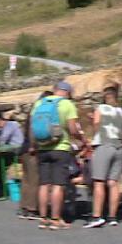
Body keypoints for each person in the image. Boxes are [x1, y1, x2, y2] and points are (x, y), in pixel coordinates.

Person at [31, 81, 88, 230]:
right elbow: (73, 129)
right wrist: (81, 140)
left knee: (44, 184)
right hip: (60, 148)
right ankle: (56, 219)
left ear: (55, 90)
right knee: (58, 185)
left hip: (43, 148)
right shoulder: (67, 105)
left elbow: (33, 128)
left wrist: (35, 145)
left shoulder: (38, 104)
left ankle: (43, 218)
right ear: (68, 92)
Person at [84, 86, 122, 228]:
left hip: (104, 145)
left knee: (99, 182)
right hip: (118, 146)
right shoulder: (120, 111)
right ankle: (112, 216)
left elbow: (97, 124)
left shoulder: (100, 109)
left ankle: (97, 215)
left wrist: (94, 131)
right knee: (113, 182)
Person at [17, 91, 51, 220]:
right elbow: (32, 129)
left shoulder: (32, 109)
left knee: (26, 180)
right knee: (34, 179)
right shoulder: (39, 111)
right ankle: (32, 209)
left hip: (24, 148)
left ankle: (24, 207)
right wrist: (33, 145)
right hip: (32, 149)